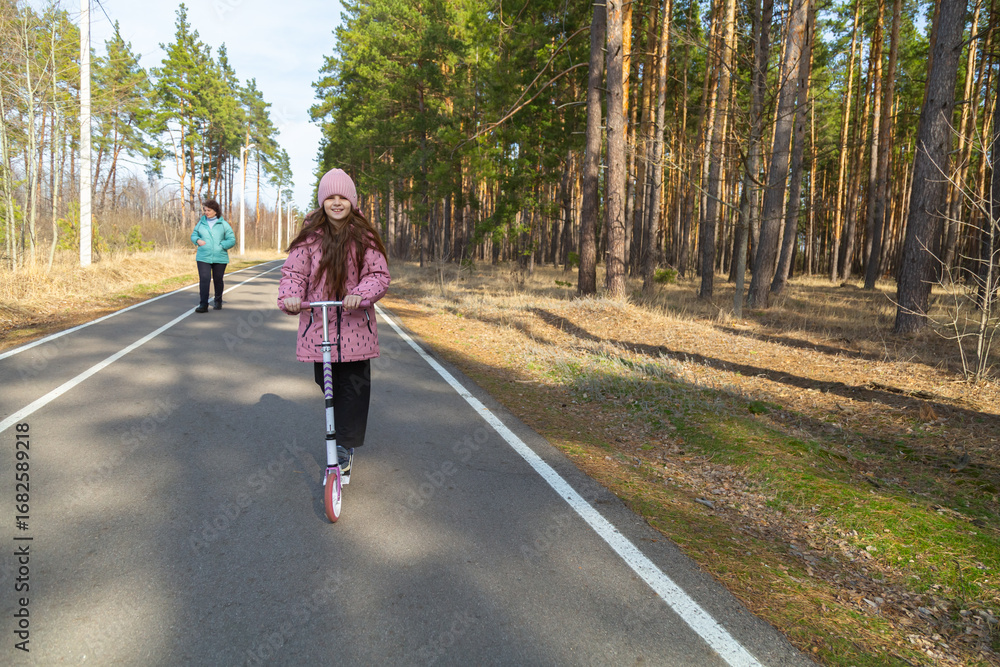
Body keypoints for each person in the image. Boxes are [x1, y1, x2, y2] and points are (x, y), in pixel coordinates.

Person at [278, 168, 390, 479]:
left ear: (352, 201)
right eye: (331, 198)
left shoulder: (364, 236)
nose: (337, 203)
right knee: (326, 384)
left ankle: (343, 447)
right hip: (320, 324)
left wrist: (360, 294)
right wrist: (290, 297)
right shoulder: (309, 238)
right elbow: (294, 274)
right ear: (322, 202)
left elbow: (378, 275)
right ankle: (341, 437)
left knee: (353, 388)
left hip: (356, 328)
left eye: (342, 197)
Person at [190, 199, 236, 313]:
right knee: (204, 279)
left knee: (218, 280)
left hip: (220, 257)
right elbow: (194, 235)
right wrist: (197, 240)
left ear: (215, 211)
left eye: (209, 210)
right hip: (203, 257)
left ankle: (218, 300)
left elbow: (232, 239)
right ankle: (203, 305)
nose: (206, 212)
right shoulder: (201, 223)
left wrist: (222, 245)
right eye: (205, 210)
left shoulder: (223, 224)